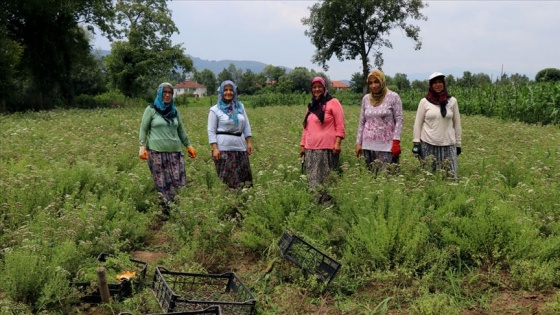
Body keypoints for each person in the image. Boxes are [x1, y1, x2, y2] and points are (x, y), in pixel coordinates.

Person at [139, 82, 197, 218]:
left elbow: (181, 130)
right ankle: (166, 212)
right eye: (164, 92)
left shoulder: (174, 111)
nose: (167, 95)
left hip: (175, 153)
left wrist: (189, 145)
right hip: (156, 153)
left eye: (170, 92)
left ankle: (178, 209)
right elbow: (143, 129)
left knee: (178, 181)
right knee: (161, 182)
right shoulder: (151, 110)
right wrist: (142, 147)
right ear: (159, 93)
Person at [300, 76, 346, 197]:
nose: (317, 89)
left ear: (324, 87)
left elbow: (340, 124)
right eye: (314, 87)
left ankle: (327, 208)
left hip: (327, 149)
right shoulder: (311, 105)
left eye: (319, 86)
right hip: (311, 149)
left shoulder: (333, 102)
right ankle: (315, 208)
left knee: (326, 181)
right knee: (312, 181)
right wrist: (302, 145)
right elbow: (306, 127)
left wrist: (337, 143)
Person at [412, 72, 462, 177]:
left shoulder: (452, 101)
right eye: (434, 83)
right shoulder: (424, 102)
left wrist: (458, 144)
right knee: (429, 176)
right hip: (429, 144)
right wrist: (416, 143)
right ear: (431, 85)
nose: (437, 85)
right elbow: (418, 124)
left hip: (448, 145)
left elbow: (457, 124)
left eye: (440, 82)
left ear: (443, 84)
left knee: (450, 177)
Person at [207, 80, 254, 189]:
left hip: (240, 148)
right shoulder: (215, 110)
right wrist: (215, 149)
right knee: (228, 181)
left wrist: (249, 142)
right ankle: (230, 204)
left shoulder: (240, 107)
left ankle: (243, 203)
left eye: (231, 90)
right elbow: (211, 131)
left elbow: (246, 125)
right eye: (226, 90)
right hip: (224, 149)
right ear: (221, 92)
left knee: (244, 180)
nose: (228, 92)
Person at [355, 69, 403, 171]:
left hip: (387, 147)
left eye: (376, 82)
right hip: (368, 146)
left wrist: (396, 142)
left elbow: (399, 120)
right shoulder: (366, 99)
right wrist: (358, 143)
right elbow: (362, 121)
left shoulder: (393, 97)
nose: (373, 85)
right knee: (372, 178)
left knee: (388, 177)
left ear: (382, 81)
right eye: (370, 83)